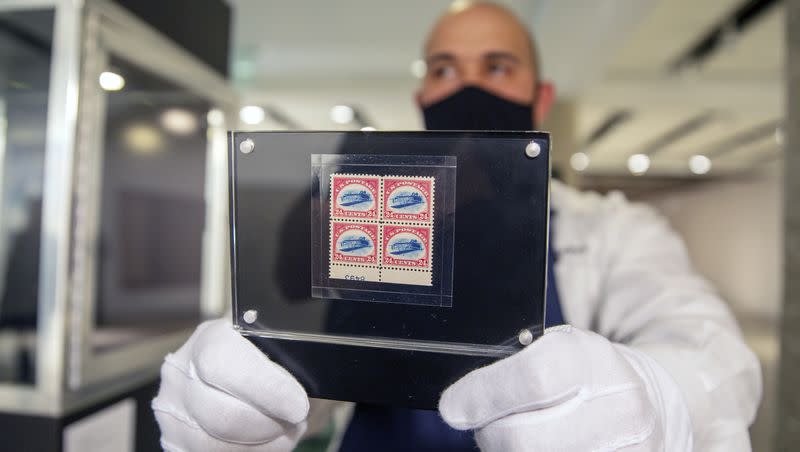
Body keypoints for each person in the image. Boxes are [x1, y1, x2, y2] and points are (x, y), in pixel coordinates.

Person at [151, 2, 762, 451]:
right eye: (445, 69)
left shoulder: (614, 232)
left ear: (540, 97)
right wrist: (242, 404)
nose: (467, 86)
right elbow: (314, 371)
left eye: (496, 68)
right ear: (422, 96)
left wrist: (656, 399)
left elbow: (716, 356)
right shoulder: (374, 214)